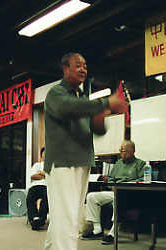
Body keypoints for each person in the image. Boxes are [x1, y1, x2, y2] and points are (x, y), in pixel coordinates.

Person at [43, 52, 127, 250]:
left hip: (82, 161)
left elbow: (97, 130)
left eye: (85, 66)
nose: (83, 70)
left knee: (63, 218)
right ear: (65, 68)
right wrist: (105, 102)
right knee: (67, 220)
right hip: (63, 162)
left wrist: (99, 119)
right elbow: (66, 109)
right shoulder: (57, 93)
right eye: (78, 66)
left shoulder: (83, 98)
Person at [81, 140, 145, 245]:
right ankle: (97, 230)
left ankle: (113, 232)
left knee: (120, 197)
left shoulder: (140, 164)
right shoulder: (118, 163)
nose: (123, 153)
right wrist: (112, 186)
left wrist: (125, 186)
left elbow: (143, 180)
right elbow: (111, 178)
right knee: (91, 196)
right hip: (115, 190)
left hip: (130, 194)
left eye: (126, 151)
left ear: (133, 151)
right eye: (121, 151)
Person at [27, 147, 48, 230]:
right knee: (30, 197)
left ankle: (41, 219)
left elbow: (54, 178)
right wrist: (46, 175)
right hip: (35, 186)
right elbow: (33, 176)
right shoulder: (37, 165)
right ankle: (33, 218)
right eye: (43, 154)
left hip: (47, 187)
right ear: (41, 156)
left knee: (47, 197)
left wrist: (42, 173)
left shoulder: (52, 167)